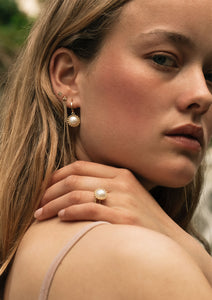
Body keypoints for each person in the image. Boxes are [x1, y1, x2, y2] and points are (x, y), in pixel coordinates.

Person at [1, 0, 212, 298]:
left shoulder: (31, 244)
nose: (202, 95)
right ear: (67, 76)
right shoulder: (138, 260)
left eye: (211, 76)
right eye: (164, 60)